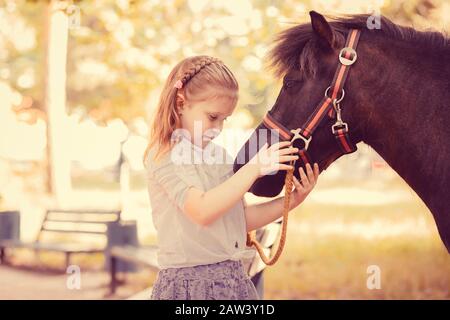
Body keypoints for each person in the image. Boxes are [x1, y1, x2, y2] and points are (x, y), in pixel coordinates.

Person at [143, 55, 319, 300]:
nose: (218, 128)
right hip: (190, 289)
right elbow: (202, 211)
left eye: (224, 120)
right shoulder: (165, 155)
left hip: (233, 283)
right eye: (212, 117)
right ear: (181, 103)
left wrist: (292, 200)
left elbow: (239, 220)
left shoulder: (219, 156)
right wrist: (254, 168)